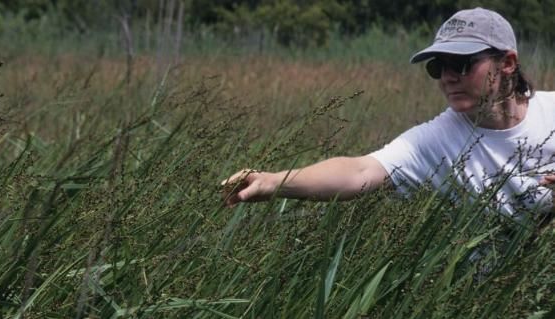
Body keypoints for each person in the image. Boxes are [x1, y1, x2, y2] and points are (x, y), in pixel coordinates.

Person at [222, 8, 555, 220]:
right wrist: (273, 182)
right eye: (438, 67)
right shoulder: (437, 140)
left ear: (508, 63)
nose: (448, 77)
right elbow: (360, 170)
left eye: (462, 64)